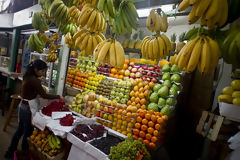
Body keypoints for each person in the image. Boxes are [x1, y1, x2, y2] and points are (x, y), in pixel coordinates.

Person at [4, 59, 61, 158]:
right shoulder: (34, 80)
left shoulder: (27, 76)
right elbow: (44, 95)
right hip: (28, 109)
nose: (43, 73)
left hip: (22, 106)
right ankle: (24, 153)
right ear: (35, 69)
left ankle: (10, 151)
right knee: (28, 133)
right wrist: (58, 97)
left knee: (20, 130)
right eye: (42, 71)